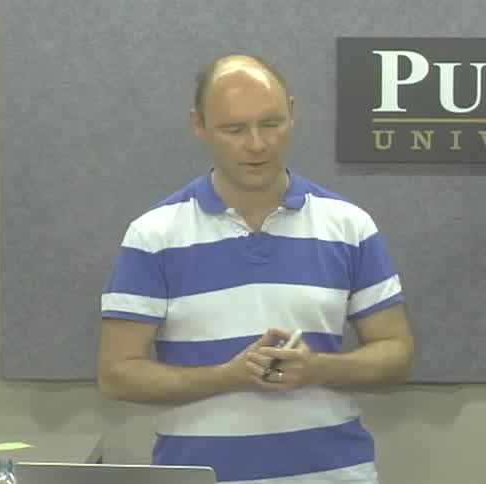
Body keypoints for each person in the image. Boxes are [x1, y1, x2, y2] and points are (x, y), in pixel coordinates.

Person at [98, 54, 414, 484]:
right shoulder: (153, 235)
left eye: (271, 124)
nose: (257, 144)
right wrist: (228, 377)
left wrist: (317, 369)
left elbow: (396, 352)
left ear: (293, 113)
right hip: (205, 475)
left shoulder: (349, 226)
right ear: (198, 125)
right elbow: (118, 375)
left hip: (334, 474)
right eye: (235, 129)